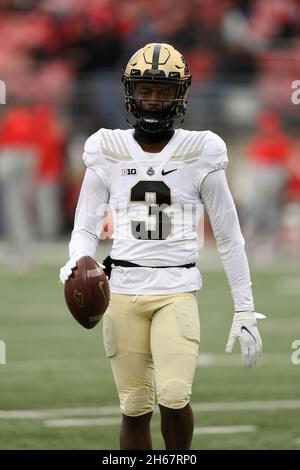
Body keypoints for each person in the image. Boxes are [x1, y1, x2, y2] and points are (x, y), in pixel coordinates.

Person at [60, 43, 264, 450]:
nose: (153, 100)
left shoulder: (200, 150)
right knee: (134, 405)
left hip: (176, 291)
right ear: (130, 92)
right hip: (121, 292)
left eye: (163, 91)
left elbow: (228, 236)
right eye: (146, 90)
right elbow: (85, 225)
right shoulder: (108, 148)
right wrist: (76, 259)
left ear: (180, 95)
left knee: (173, 395)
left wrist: (244, 307)